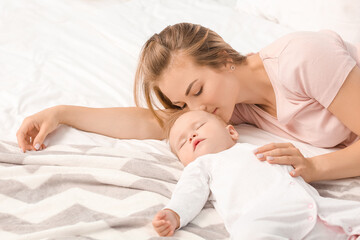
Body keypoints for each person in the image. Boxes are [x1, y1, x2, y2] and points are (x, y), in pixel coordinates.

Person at [16, 22, 360, 183]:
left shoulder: (301, 58)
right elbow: (150, 122)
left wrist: (315, 169)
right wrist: (61, 113)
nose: (194, 110)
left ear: (225, 57)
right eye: (183, 103)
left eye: (196, 90)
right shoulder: (229, 104)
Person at [152, 110, 360, 239]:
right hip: (262, 215)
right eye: (182, 142)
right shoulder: (202, 165)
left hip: (311, 204)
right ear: (183, 161)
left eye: (199, 126)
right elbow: (189, 192)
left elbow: (295, 160)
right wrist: (175, 213)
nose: (192, 136)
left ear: (231, 132)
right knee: (247, 234)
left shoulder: (256, 146)